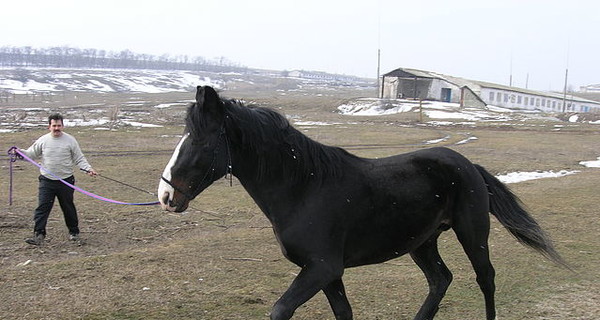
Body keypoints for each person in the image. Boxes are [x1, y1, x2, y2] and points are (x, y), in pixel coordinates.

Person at [18, 113, 97, 245]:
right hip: (47, 181)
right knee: (42, 207)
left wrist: (88, 169)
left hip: (66, 181)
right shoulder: (43, 140)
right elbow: (31, 153)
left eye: (59, 125)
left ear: (63, 126)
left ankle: (74, 233)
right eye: (54, 125)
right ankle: (39, 235)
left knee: (68, 207)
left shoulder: (70, 140)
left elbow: (79, 158)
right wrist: (19, 152)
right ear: (49, 126)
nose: (56, 128)